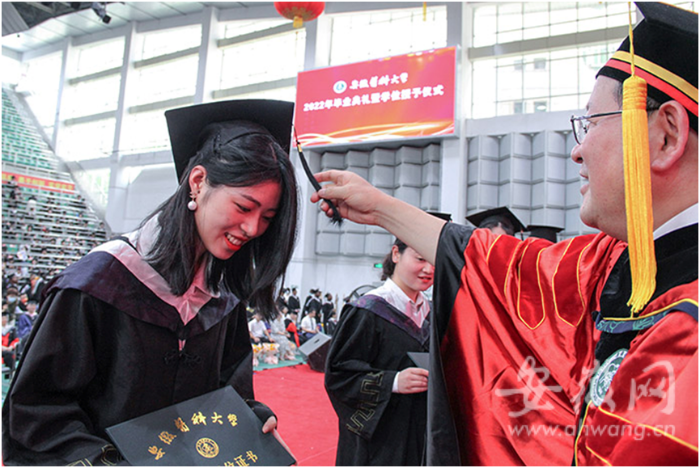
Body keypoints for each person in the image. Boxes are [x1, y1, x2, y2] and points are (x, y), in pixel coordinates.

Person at [311, 3, 698, 466]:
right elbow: (497, 265)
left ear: (666, 135)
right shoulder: (612, 262)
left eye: (592, 123)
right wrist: (379, 207)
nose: (577, 151)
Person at [1, 99, 299, 466]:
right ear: (198, 182)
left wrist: (251, 419)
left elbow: (226, 395)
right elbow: (37, 413)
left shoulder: (222, 298)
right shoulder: (96, 285)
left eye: (267, 217)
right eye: (244, 207)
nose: (253, 228)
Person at [325, 233, 435, 467]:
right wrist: (392, 382)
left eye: (435, 260)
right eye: (420, 259)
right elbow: (339, 376)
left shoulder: (433, 313)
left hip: (423, 436)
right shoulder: (367, 310)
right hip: (380, 443)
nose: (429, 269)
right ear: (396, 254)